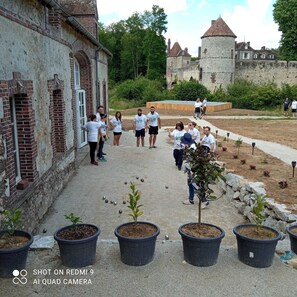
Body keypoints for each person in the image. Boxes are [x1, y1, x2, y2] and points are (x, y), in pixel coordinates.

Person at [181, 133, 209, 208]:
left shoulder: (193, 148)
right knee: (190, 183)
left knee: (195, 184)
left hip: (194, 169)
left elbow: (192, 160)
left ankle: (204, 200)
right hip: (190, 169)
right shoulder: (190, 146)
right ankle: (191, 199)